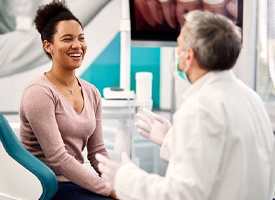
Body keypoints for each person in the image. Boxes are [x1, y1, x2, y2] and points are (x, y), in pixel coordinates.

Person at [96, 10, 275, 200]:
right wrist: (170, 139)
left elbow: (179, 195)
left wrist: (123, 177)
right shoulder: (251, 98)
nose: (177, 54)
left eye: (179, 46)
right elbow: (225, 161)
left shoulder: (199, 108)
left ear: (188, 57)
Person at [19, 0, 117, 199]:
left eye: (81, 38)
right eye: (67, 39)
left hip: (73, 182)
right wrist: (108, 190)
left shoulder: (91, 92)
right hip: (44, 186)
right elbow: (58, 159)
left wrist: (119, 182)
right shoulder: (39, 92)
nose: (77, 45)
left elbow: (97, 151)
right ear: (48, 46)